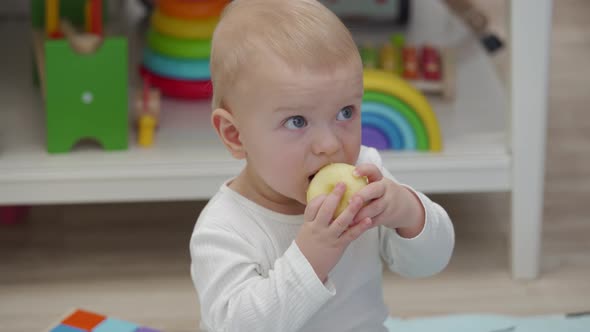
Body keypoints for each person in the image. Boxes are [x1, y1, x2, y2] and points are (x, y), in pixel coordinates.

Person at [190, 0, 455, 331]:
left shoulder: (366, 176)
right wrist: (311, 258)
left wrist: (407, 212)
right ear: (235, 135)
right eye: (297, 121)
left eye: (345, 113)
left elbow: (432, 261)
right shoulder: (225, 229)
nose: (330, 145)